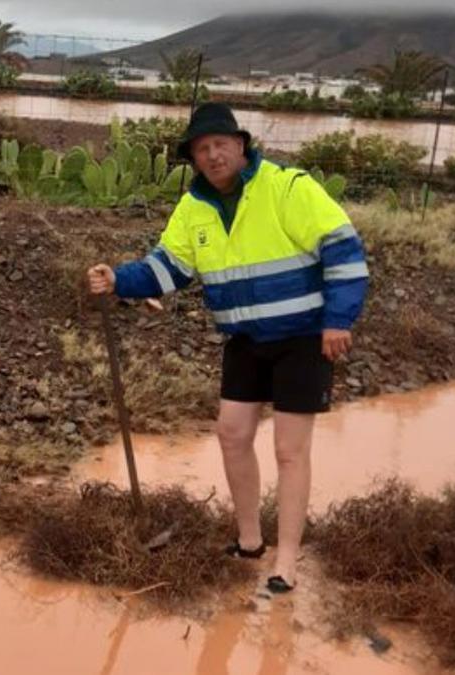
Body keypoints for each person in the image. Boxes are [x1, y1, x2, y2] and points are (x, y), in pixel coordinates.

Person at [87, 102, 369, 593]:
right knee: (232, 433)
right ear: (194, 158)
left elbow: (343, 249)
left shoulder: (288, 188)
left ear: (240, 145)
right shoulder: (193, 207)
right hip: (244, 339)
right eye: (202, 148)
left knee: (289, 449)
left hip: (302, 338)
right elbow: (167, 269)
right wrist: (117, 279)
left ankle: (286, 561)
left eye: (220, 144)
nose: (212, 155)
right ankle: (249, 541)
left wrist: (337, 320)